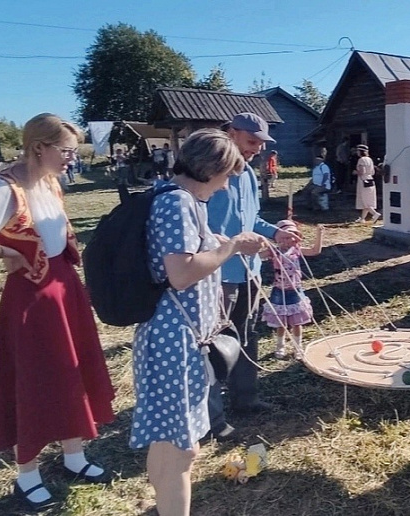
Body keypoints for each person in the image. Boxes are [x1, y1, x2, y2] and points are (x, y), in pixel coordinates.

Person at [0, 113, 115, 511]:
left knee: (71, 373)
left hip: (64, 290)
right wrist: (4, 250)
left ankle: (73, 457)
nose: (72, 158)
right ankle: (27, 474)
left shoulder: (50, 182)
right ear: (39, 148)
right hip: (32, 300)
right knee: (34, 382)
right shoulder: (5, 188)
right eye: (66, 151)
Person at [130, 128, 266, 516]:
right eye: (225, 178)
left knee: (169, 440)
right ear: (211, 170)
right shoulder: (178, 204)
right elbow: (181, 272)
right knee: (183, 448)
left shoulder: (183, 200)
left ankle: (161, 506)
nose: (225, 189)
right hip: (175, 341)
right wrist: (231, 246)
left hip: (178, 338)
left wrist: (228, 241)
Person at [206, 112, 300, 437]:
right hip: (217, 275)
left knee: (246, 337)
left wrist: (276, 234)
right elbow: (202, 229)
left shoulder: (247, 174)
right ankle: (212, 419)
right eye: (251, 141)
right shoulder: (209, 173)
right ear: (231, 133)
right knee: (215, 345)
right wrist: (228, 247)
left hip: (249, 272)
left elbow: (252, 219)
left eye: (261, 144)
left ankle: (246, 399)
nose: (256, 149)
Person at [261, 220, 323, 359]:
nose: (289, 240)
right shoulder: (274, 251)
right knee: (281, 323)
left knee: (297, 322)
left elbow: (315, 251)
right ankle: (280, 346)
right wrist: (262, 243)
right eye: (285, 237)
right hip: (279, 291)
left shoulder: (297, 249)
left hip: (295, 290)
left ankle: (297, 347)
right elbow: (259, 256)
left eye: (292, 236)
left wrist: (319, 234)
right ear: (278, 238)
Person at [353, 144, 381, 223]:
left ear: (360, 152)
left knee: (365, 200)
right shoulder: (370, 159)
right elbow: (373, 172)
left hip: (363, 181)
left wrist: (355, 172)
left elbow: (362, 171)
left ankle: (375, 214)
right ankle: (362, 218)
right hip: (370, 179)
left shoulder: (361, 160)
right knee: (366, 199)